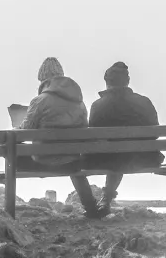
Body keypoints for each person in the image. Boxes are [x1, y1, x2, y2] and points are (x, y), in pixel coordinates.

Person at [14, 57, 99, 218]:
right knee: (73, 164)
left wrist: (15, 129)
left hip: (41, 163)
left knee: (8, 144)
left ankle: (8, 208)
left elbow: (25, 131)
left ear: (44, 81)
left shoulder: (39, 101)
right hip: (72, 163)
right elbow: (84, 130)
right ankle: (91, 209)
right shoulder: (79, 102)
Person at [85, 61, 165, 216]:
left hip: (107, 159)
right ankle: (106, 198)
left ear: (107, 82)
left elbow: (93, 136)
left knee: (115, 157)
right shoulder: (144, 102)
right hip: (144, 158)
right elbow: (155, 133)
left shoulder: (98, 105)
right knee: (120, 156)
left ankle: (101, 202)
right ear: (127, 81)